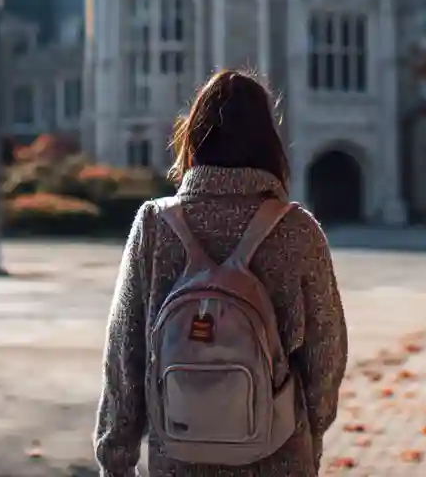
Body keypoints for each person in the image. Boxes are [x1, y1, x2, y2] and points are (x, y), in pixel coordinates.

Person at [95, 69, 349, 477]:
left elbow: (125, 352)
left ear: (193, 138)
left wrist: (116, 455)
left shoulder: (154, 225)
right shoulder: (298, 229)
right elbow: (326, 352)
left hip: (179, 450)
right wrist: (309, 433)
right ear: (270, 143)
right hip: (278, 451)